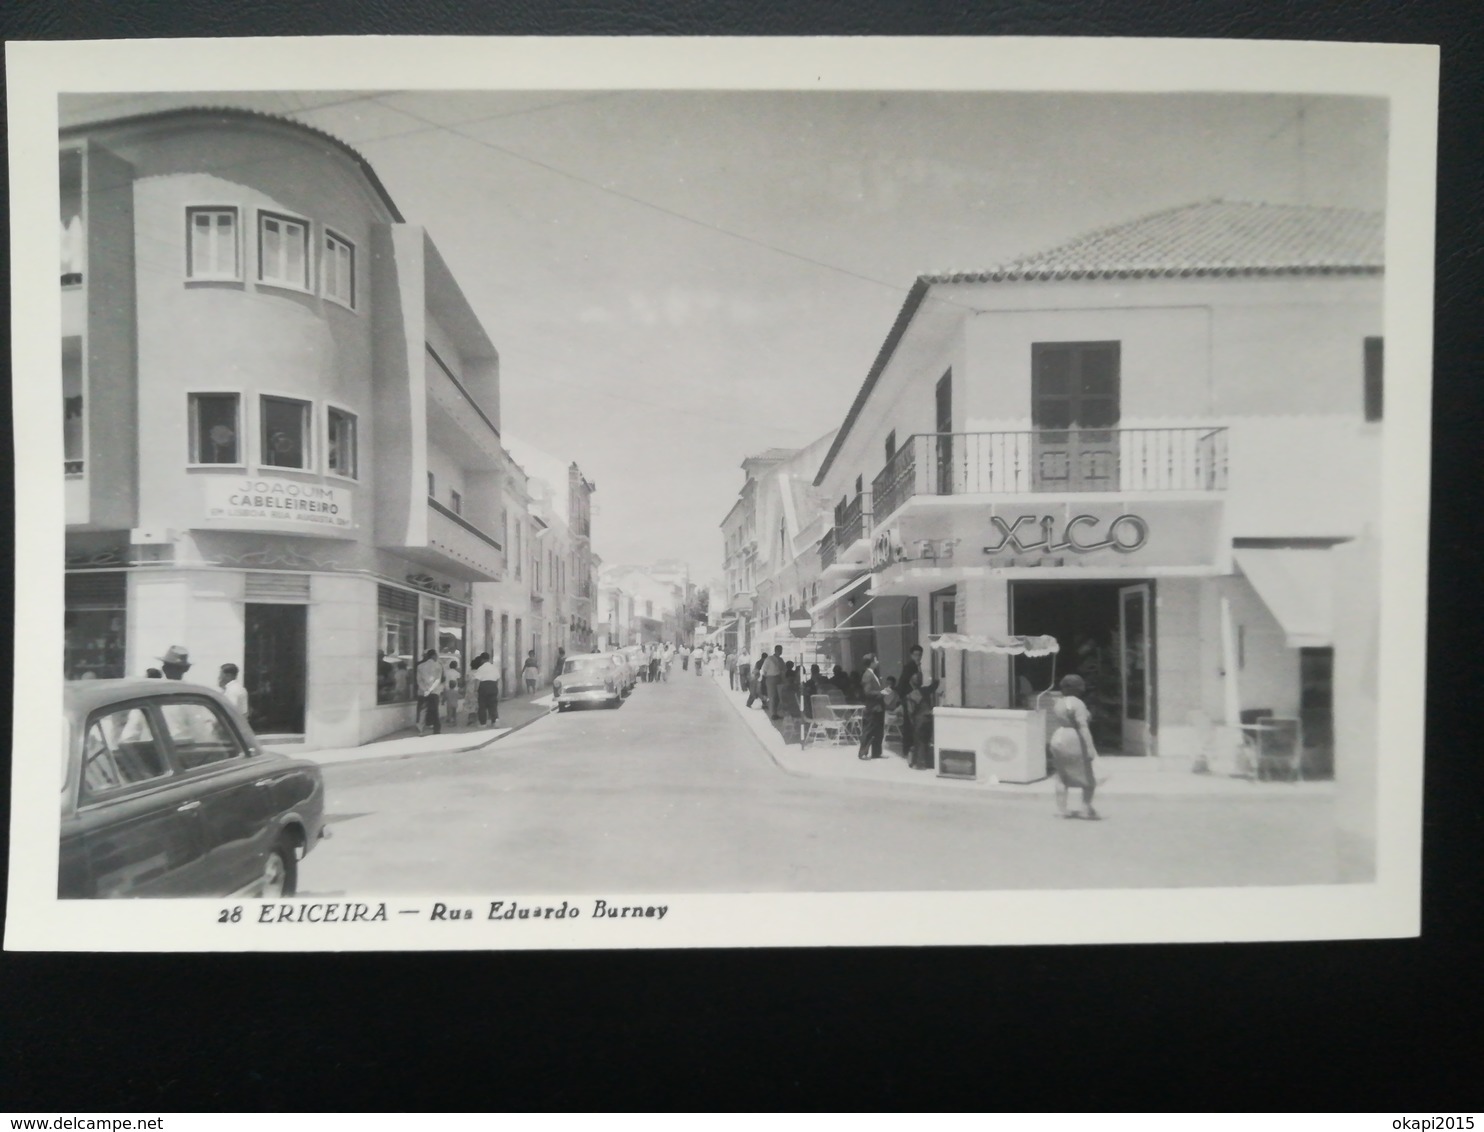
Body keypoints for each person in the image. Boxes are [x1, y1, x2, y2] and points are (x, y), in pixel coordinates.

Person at [1048, 673, 1101, 819]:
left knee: (1061, 776)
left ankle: (1061, 809)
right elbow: (1083, 726)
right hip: (1074, 738)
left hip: (1059, 736)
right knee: (1088, 778)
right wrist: (1090, 748)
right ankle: (1085, 808)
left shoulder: (1058, 703)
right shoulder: (1078, 704)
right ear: (1079, 688)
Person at [904, 670, 940, 770]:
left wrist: (912, 723)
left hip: (919, 719)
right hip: (929, 718)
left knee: (919, 741)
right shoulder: (926, 690)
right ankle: (926, 761)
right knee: (927, 740)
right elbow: (935, 685)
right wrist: (935, 676)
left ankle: (920, 763)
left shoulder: (910, 695)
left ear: (911, 683)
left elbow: (910, 711)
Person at [856, 653, 886, 760]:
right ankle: (863, 752)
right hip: (872, 707)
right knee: (868, 730)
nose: (877, 662)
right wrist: (881, 693)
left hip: (877, 707)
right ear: (872, 662)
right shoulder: (868, 675)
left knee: (878, 730)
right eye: (876, 660)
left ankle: (877, 752)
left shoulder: (872, 674)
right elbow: (867, 692)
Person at [416, 649, 444, 736]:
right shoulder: (438, 665)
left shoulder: (420, 666)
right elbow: (438, 679)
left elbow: (419, 680)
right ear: (434, 656)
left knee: (422, 710)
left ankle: (420, 728)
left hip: (422, 691)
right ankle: (436, 729)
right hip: (434, 691)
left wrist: (425, 689)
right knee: (435, 710)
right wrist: (430, 689)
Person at [471, 652, 500, 727]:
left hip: (483, 687)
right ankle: (495, 721)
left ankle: (483, 723)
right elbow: (497, 679)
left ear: (482, 659)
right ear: (489, 659)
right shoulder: (494, 667)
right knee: (493, 705)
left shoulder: (481, 668)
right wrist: (495, 687)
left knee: (482, 706)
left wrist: (475, 690)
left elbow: (477, 680)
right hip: (493, 686)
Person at [761, 645, 786, 719]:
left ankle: (775, 712)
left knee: (778, 697)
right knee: (772, 696)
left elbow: (784, 669)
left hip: (779, 678)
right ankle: (773, 714)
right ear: (776, 650)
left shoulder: (781, 660)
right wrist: (765, 678)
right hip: (771, 678)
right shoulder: (769, 659)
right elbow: (764, 670)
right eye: (779, 650)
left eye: (781, 650)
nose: (781, 651)